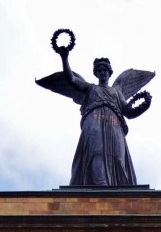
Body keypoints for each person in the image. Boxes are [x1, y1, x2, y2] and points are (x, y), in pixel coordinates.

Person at [37, 40, 154, 186]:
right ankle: (101, 187)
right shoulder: (90, 88)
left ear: (110, 72)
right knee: (96, 154)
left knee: (118, 157)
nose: (102, 73)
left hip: (115, 125)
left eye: (105, 70)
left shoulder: (116, 92)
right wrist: (65, 58)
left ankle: (119, 190)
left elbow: (129, 112)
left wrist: (145, 105)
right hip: (93, 124)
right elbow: (71, 79)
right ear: (96, 73)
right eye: (99, 70)